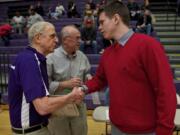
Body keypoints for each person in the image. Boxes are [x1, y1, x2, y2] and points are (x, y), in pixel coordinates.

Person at [79, 1, 177, 135]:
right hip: (116, 128)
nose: (99, 28)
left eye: (102, 22)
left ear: (116, 19)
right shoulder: (108, 53)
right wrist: (83, 89)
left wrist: (164, 131)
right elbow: (100, 80)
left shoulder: (148, 45)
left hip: (147, 131)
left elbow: (165, 91)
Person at [8, 22, 84, 135]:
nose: (57, 40)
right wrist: (70, 97)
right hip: (32, 131)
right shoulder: (30, 61)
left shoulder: (29, 58)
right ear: (38, 38)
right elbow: (43, 107)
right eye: (52, 36)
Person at [47, 25, 90, 135]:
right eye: (77, 38)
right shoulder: (50, 57)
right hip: (58, 108)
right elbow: (45, 85)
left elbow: (88, 81)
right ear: (66, 40)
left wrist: (83, 90)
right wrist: (64, 84)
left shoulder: (83, 57)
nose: (80, 41)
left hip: (78, 106)